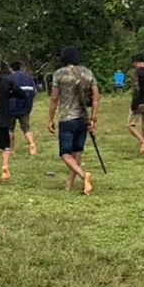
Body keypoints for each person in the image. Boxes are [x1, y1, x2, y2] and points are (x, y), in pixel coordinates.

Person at [47, 46, 97, 195]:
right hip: (83, 118)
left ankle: (83, 175)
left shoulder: (59, 74)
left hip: (67, 118)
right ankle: (70, 184)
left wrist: (50, 118)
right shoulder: (88, 73)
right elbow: (95, 98)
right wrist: (93, 117)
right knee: (77, 151)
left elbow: (54, 98)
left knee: (65, 153)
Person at [8, 61, 38, 155]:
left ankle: (12, 149)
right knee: (26, 127)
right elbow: (34, 91)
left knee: (10, 128)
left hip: (11, 107)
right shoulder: (29, 77)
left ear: (11, 69)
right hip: (26, 107)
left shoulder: (9, 78)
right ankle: (32, 144)